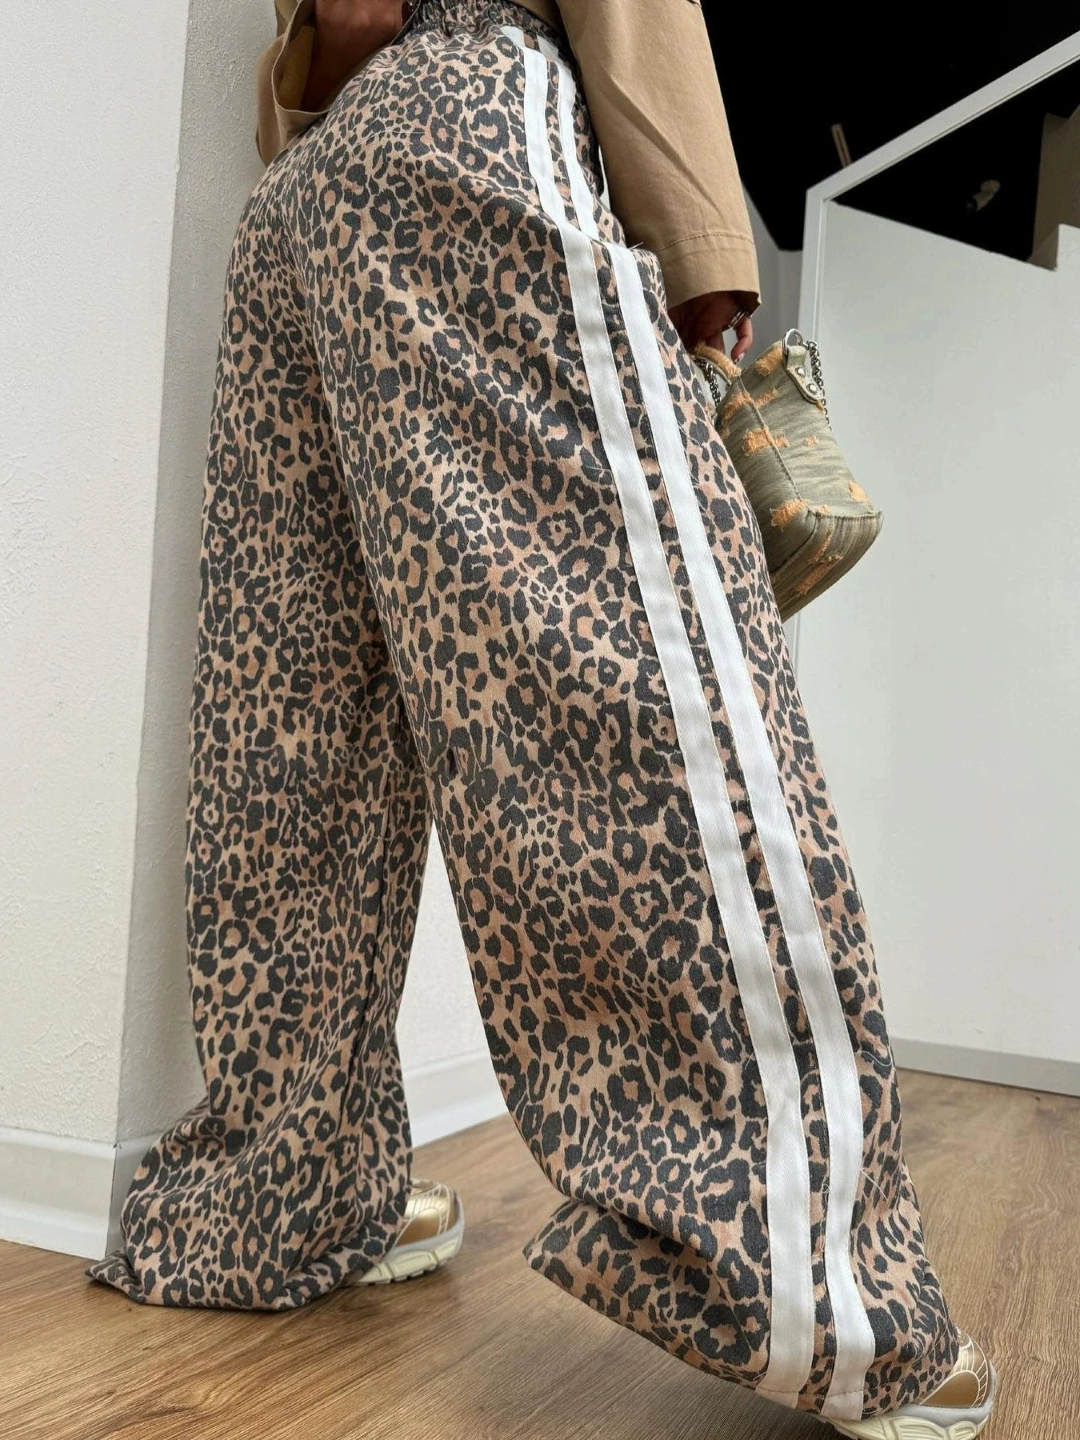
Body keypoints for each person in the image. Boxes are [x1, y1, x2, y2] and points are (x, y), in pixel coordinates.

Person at [89, 2, 996, 1436]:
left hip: (300, 205)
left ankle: (269, 1200)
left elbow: (341, 20)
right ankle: (819, 1300)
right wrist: (705, 257)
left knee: (295, 732)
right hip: (469, 118)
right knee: (623, 673)